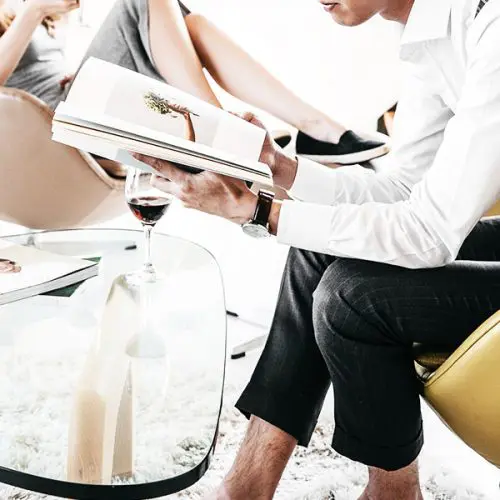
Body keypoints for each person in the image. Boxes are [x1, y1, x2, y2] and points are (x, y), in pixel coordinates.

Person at [134, 0, 500, 498]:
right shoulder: (429, 30)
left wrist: (260, 212)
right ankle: (246, 487)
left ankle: (394, 494)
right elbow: (402, 191)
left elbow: (427, 234)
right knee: (316, 250)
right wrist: (281, 168)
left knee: (352, 297)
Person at [0, 0, 388, 165]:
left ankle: (316, 127)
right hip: (53, 130)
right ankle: (221, 135)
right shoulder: (26, 9)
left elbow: (36, 69)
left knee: (192, 23)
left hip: (77, 98)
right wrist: (34, 11)